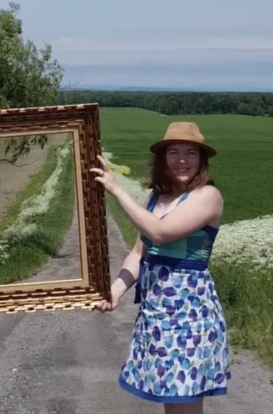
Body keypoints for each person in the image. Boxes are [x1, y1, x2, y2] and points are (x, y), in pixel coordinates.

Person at [90, 121, 231, 413]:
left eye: (191, 153)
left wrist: (116, 190)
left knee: (183, 401)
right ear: (163, 159)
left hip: (190, 315)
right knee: (171, 400)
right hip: (157, 315)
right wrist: (115, 292)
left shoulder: (208, 196)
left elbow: (160, 234)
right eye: (173, 152)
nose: (182, 160)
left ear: (202, 160)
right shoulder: (155, 198)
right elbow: (139, 253)